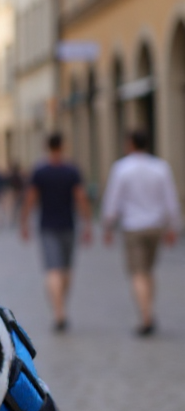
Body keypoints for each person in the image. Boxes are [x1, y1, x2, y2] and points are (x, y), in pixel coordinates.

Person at [101, 129, 181, 336]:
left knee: (138, 273)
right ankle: (149, 311)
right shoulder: (160, 167)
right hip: (155, 226)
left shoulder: (121, 168)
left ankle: (145, 317)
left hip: (133, 227)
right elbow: (170, 198)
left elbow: (113, 199)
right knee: (148, 271)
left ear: (130, 144)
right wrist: (174, 226)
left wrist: (108, 224)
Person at [20, 132, 92, 332]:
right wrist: (87, 224)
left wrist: (24, 222)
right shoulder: (71, 170)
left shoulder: (40, 171)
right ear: (63, 146)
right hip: (68, 225)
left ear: (47, 147)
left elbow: (30, 198)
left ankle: (58, 311)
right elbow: (81, 197)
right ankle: (61, 311)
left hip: (47, 226)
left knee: (53, 270)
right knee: (66, 271)